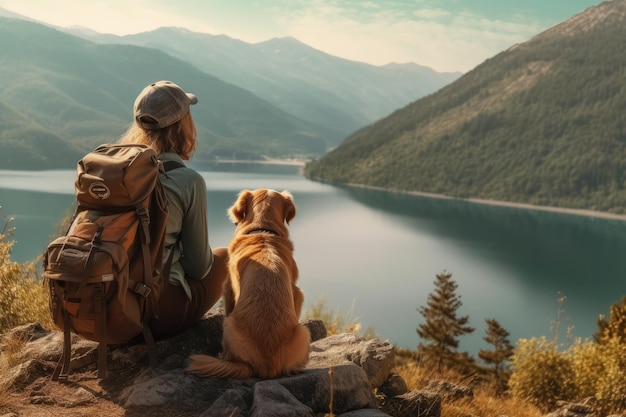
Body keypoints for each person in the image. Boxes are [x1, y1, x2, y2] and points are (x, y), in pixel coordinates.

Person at [119, 80, 228, 340]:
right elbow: (199, 268)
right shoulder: (187, 181)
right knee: (226, 257)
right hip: (156, 312)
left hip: (107, 304)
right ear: (183, 124)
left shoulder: (115, 170)